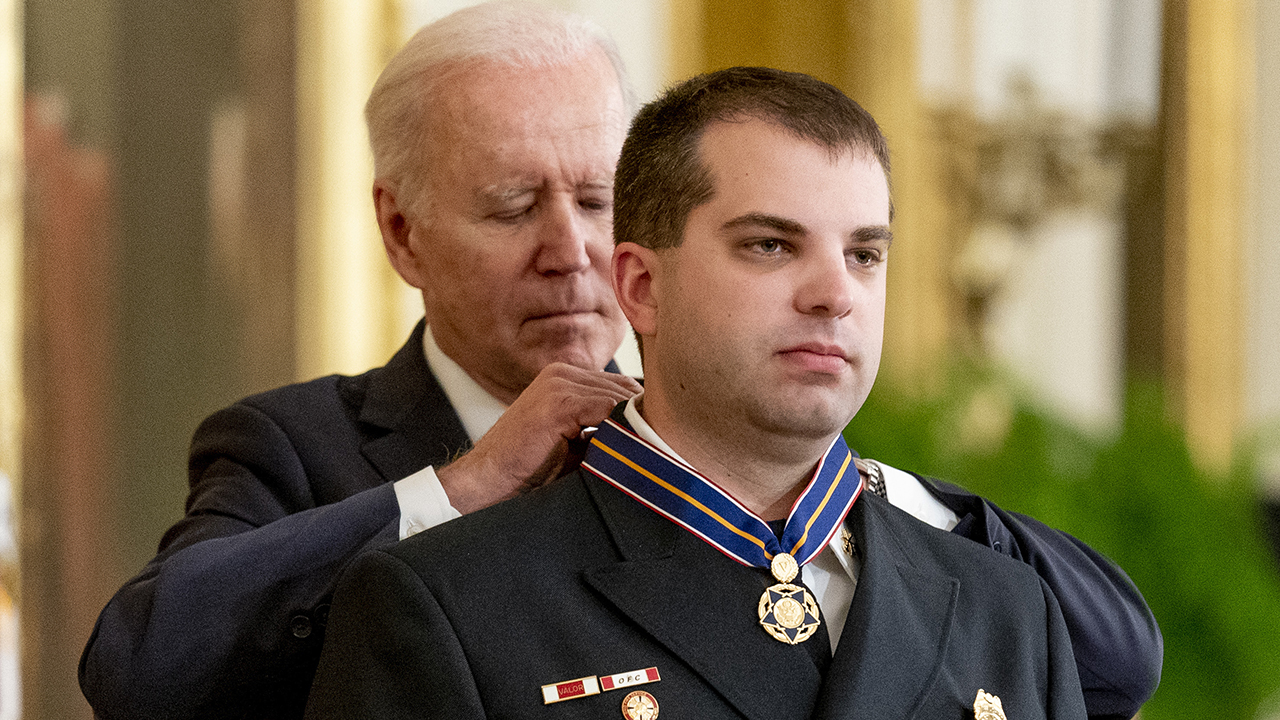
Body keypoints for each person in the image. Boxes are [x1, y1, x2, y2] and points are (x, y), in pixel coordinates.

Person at [304, 67, 1158, 720]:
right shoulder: (449, 604)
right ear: (639, 286)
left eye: (865, 253)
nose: (836, 294)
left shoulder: (1006, 608)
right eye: (770, 247)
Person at [79, 4, 640, 719]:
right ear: (402, 233)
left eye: (598, 201)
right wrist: (463, 487)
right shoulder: (291, 450)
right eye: (512, 208)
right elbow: (140, 667)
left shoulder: (701, 445)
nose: (570, 252)